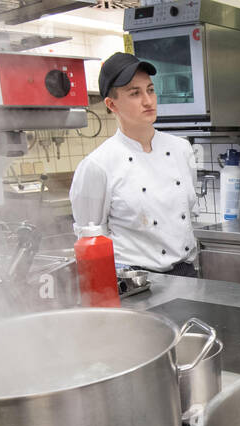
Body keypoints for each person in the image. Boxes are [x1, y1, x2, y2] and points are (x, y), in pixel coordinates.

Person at [69, 52, 200, 276]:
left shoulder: (181, 149)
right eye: (135, 93)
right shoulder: (98, 165)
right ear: (112, 104)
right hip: (135, 281)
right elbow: (91, 238)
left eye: (150, 90)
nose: (148, 101)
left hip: (186, 274)